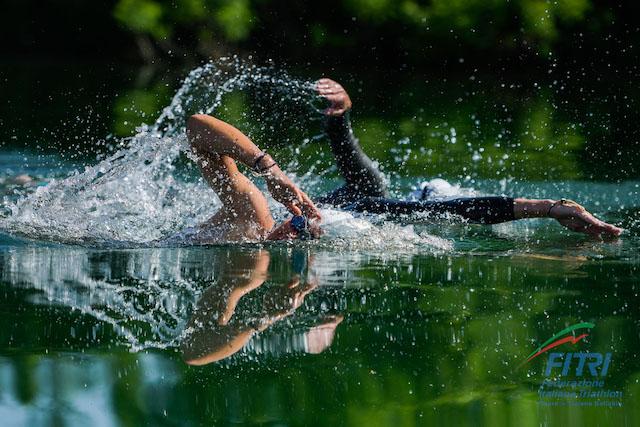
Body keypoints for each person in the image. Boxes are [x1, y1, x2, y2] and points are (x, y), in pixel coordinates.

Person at [184, 79, 622, 242]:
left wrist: (547, 209)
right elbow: (197, 125)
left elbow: (198, 124)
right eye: (298, 229)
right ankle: (339, 118)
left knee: (386, 200)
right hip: (359, 200)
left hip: (359, 204)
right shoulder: (253, 232)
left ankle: (339, 118)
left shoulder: (259, 217)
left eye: (298, 226)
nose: (297, 230)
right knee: (373, 191)